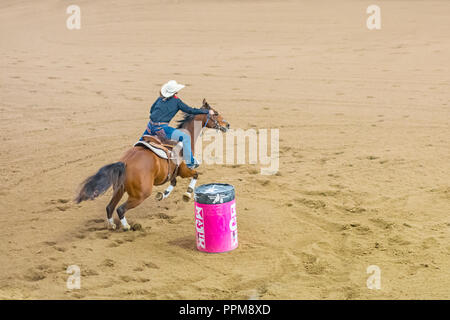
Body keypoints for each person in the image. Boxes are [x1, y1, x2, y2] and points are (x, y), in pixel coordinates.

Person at [140, 80, 214, 169]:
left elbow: (151, 110)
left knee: (140, 142)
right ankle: (190, 162)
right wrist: (207, 111)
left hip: (150, 127)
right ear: (175, 91)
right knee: (186, 138)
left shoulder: (160, 98)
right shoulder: (177, 101)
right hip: (162, 129)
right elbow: (190, 110)